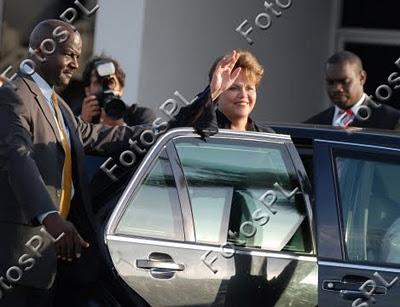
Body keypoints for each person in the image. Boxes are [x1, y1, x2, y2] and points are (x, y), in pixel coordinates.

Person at [0, 19, 147, 306]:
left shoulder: (59, 104)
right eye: (69, 54)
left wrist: (170, 130)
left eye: (78, 57)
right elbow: (19, 159)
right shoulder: (13, 96)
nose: (75, 65)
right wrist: (52, 219)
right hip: (16, 262)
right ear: (43, 49)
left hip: (52, 262)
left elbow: (101, 136)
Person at [171, 50, 274, 134]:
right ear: (219, 95)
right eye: (233, 88)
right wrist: (213, 92)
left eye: (249, 88)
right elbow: (177, 127)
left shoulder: (267, 136)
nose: (243, 95)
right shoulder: (204, 127)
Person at [305, 51, 400, 129]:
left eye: (344, 81)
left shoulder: (392, 120)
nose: (337, 88)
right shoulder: (312, 125)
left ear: (362, 78)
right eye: (331, 82)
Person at [80, 55, 156, 127]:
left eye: (110, 82)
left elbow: (147, 138)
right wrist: (82, 125)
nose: (106, 88)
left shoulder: (140, 116)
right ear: (88, 91)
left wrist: (120, 126)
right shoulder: (80, 120)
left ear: (121, 88)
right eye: (98, 83)